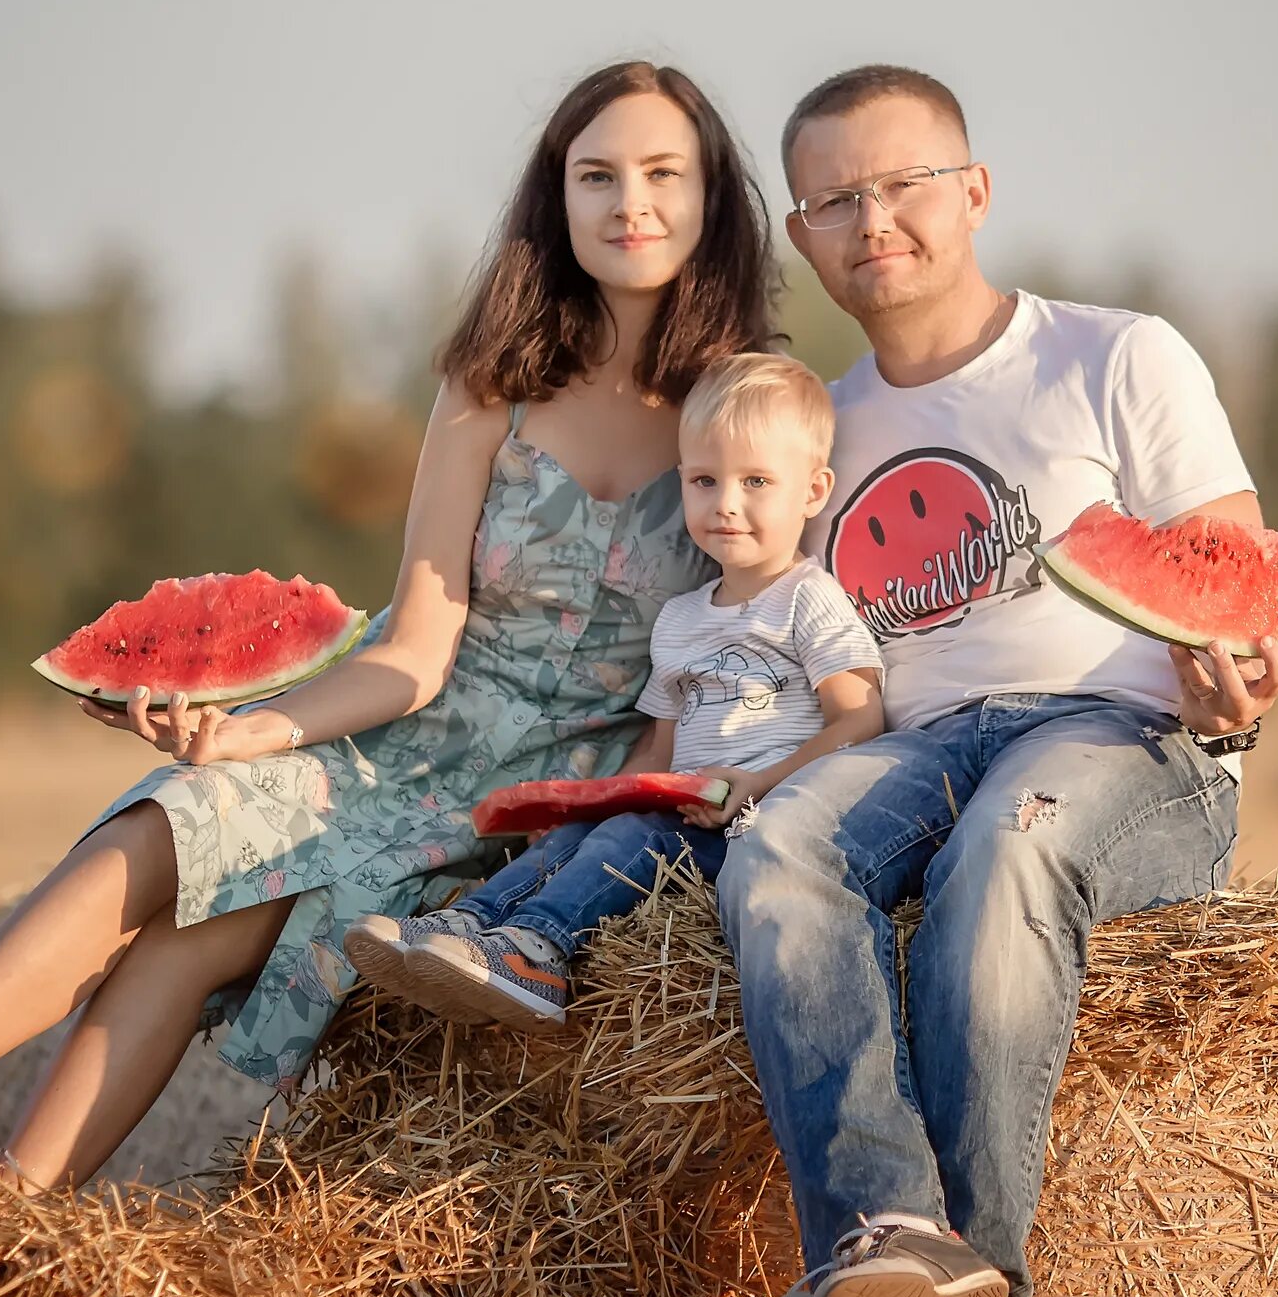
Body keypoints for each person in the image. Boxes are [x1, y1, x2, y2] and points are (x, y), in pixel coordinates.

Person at [0, 60, 775, 1188]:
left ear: (713, 194)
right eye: (598, 174)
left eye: (665, 172)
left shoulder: (753, 406)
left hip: (550, 816)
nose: (633, 201)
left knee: (182, 942)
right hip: (407, 747)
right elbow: (416, 645)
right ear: (556, 198)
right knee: (153, 834)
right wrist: (251, 729)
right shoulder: (494, 381)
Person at [718, 64, 1278, 1297]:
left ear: (975, 192)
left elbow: (1240, 587)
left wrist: (1242, 692)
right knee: (780, 848)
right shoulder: (823, 432)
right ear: (804, 238)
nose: (877, 221)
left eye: (907, 183)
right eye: (836, 199)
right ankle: (885, 1241)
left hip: (1125, 740)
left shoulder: (1116, 356)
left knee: (1011, 846)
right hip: (918, 751)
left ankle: (971, 1279)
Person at [344, 351, 883, 1031]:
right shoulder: (683, 618)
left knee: (630, 836)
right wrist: (575, 808)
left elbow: (860, 718)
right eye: (705, 480)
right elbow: (658, 750)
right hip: (687, 812)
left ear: (812, 491)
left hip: (761, 827)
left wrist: (762, 782)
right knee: (586, 831)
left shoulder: (809, 601)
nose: (727, 505)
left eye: (756, 482)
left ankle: (540, 949)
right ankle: (466, 926)